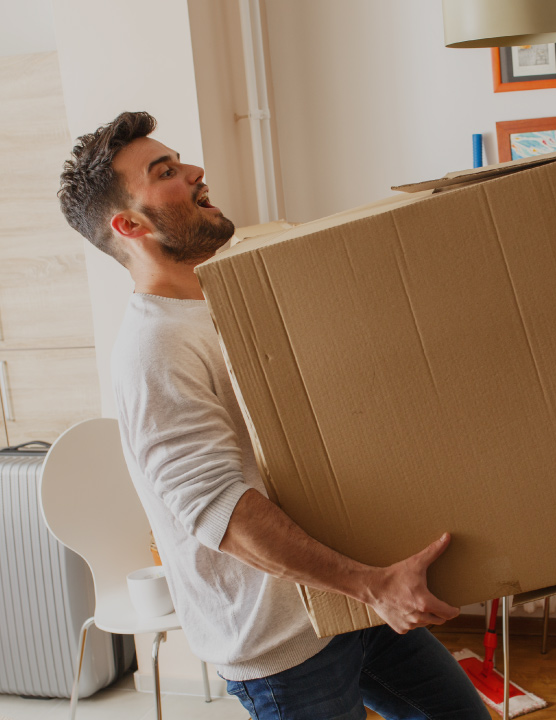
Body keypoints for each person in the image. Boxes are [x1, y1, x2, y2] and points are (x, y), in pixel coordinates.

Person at [58, 111, 487, 720]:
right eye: (167, 172)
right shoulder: (155, 351)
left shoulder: (232, 301)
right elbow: (222, 513)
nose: (196, 171)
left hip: (349, 603)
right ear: (129, 224)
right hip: (285, 647)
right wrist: (371, 584)